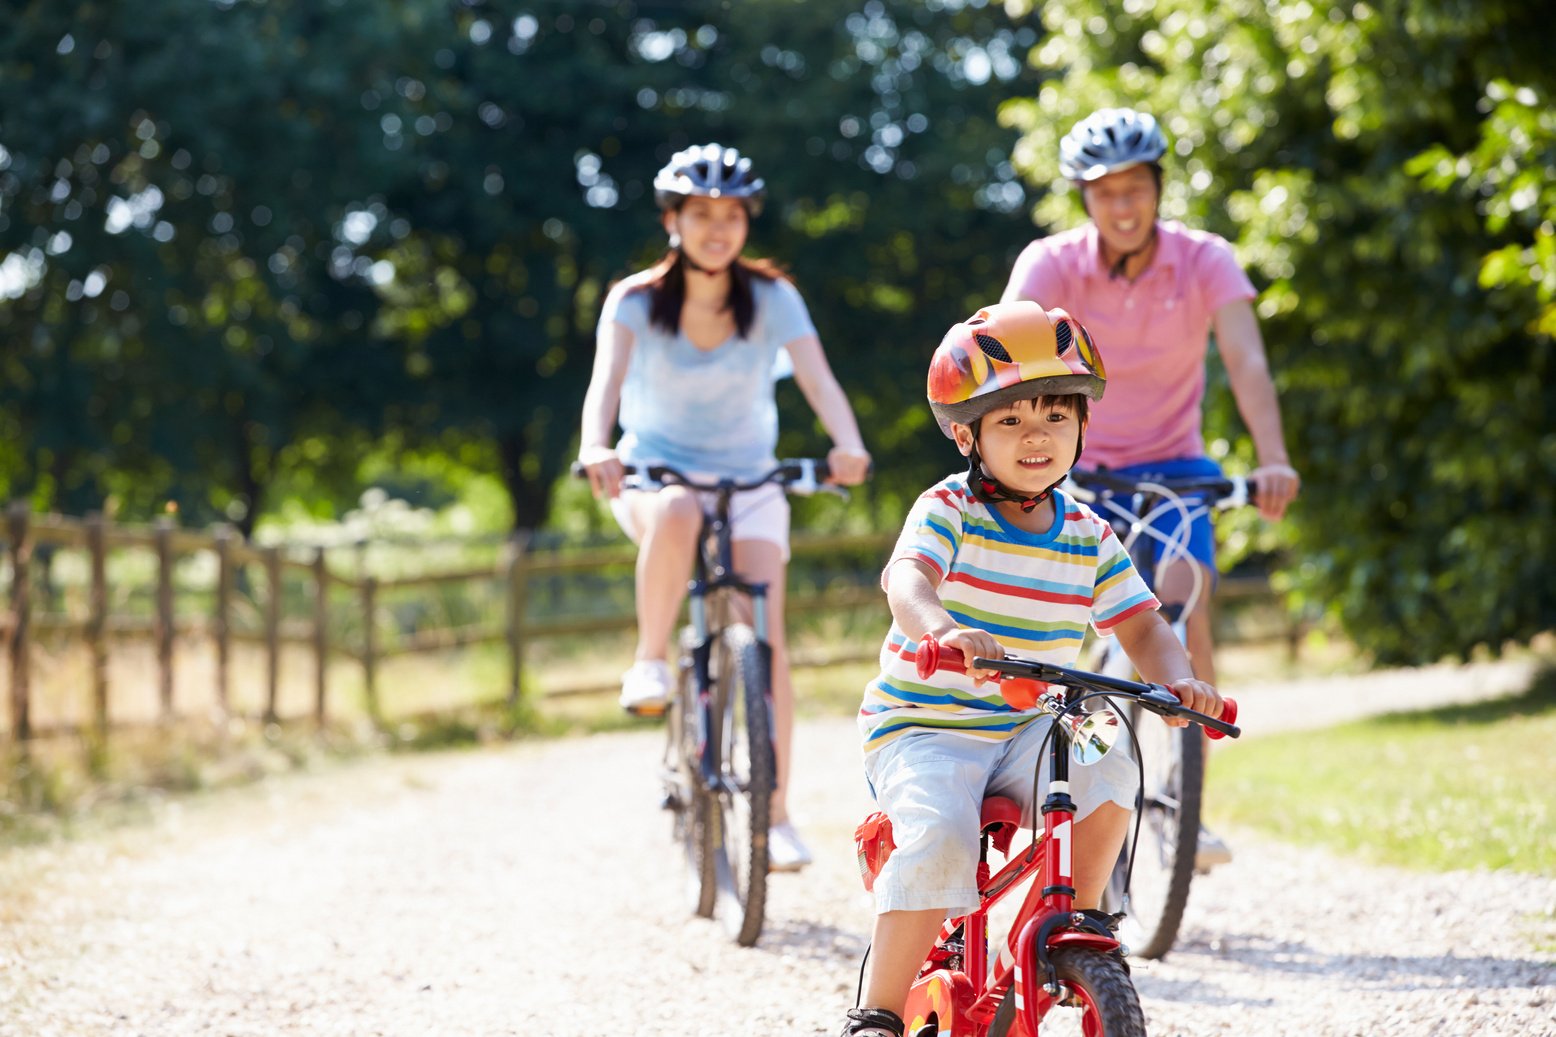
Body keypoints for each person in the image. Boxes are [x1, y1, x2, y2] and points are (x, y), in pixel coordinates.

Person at [839, 301, 1223, 1037]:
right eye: (1009, 420)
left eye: (1055, 415)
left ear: (1083, 425)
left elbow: (1142, 621)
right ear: (967, 434)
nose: (1036, 435)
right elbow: (906, 579)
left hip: (1031, 723)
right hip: (927, 725)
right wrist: (943, 628)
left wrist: (1178, 679)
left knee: (1110, 754)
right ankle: (878, 1012)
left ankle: (1074, 920)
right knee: (941, 834)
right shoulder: (947, 507)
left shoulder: (1087, 532)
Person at [1001, 106, 1300, 868]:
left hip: (1175, 467)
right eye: (1106, 192)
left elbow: (1248, 364)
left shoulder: (1204, 260)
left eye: (1136, 188)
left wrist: (1272, 457)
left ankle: (1182, 800)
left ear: (1159, 188)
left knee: (1182, 591)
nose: (1124, 206)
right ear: (1084, 199)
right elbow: (1007, 351)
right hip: (1079, 468)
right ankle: (1081, 777)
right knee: (1075, 631)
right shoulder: (1052, 263)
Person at [577, 142, 871, 872]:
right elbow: (604, 385)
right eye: (700, 213)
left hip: (749, 481)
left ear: (747, 223)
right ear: (672, 219)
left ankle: (774, 818)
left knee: (763, 636)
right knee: (676, 511)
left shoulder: (772, 298)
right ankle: (649, 661)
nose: (717, 228)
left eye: (731, 215)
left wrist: (848, 442)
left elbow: (820, 380)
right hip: (655, 474)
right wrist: (595, 445)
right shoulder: (636, 300)